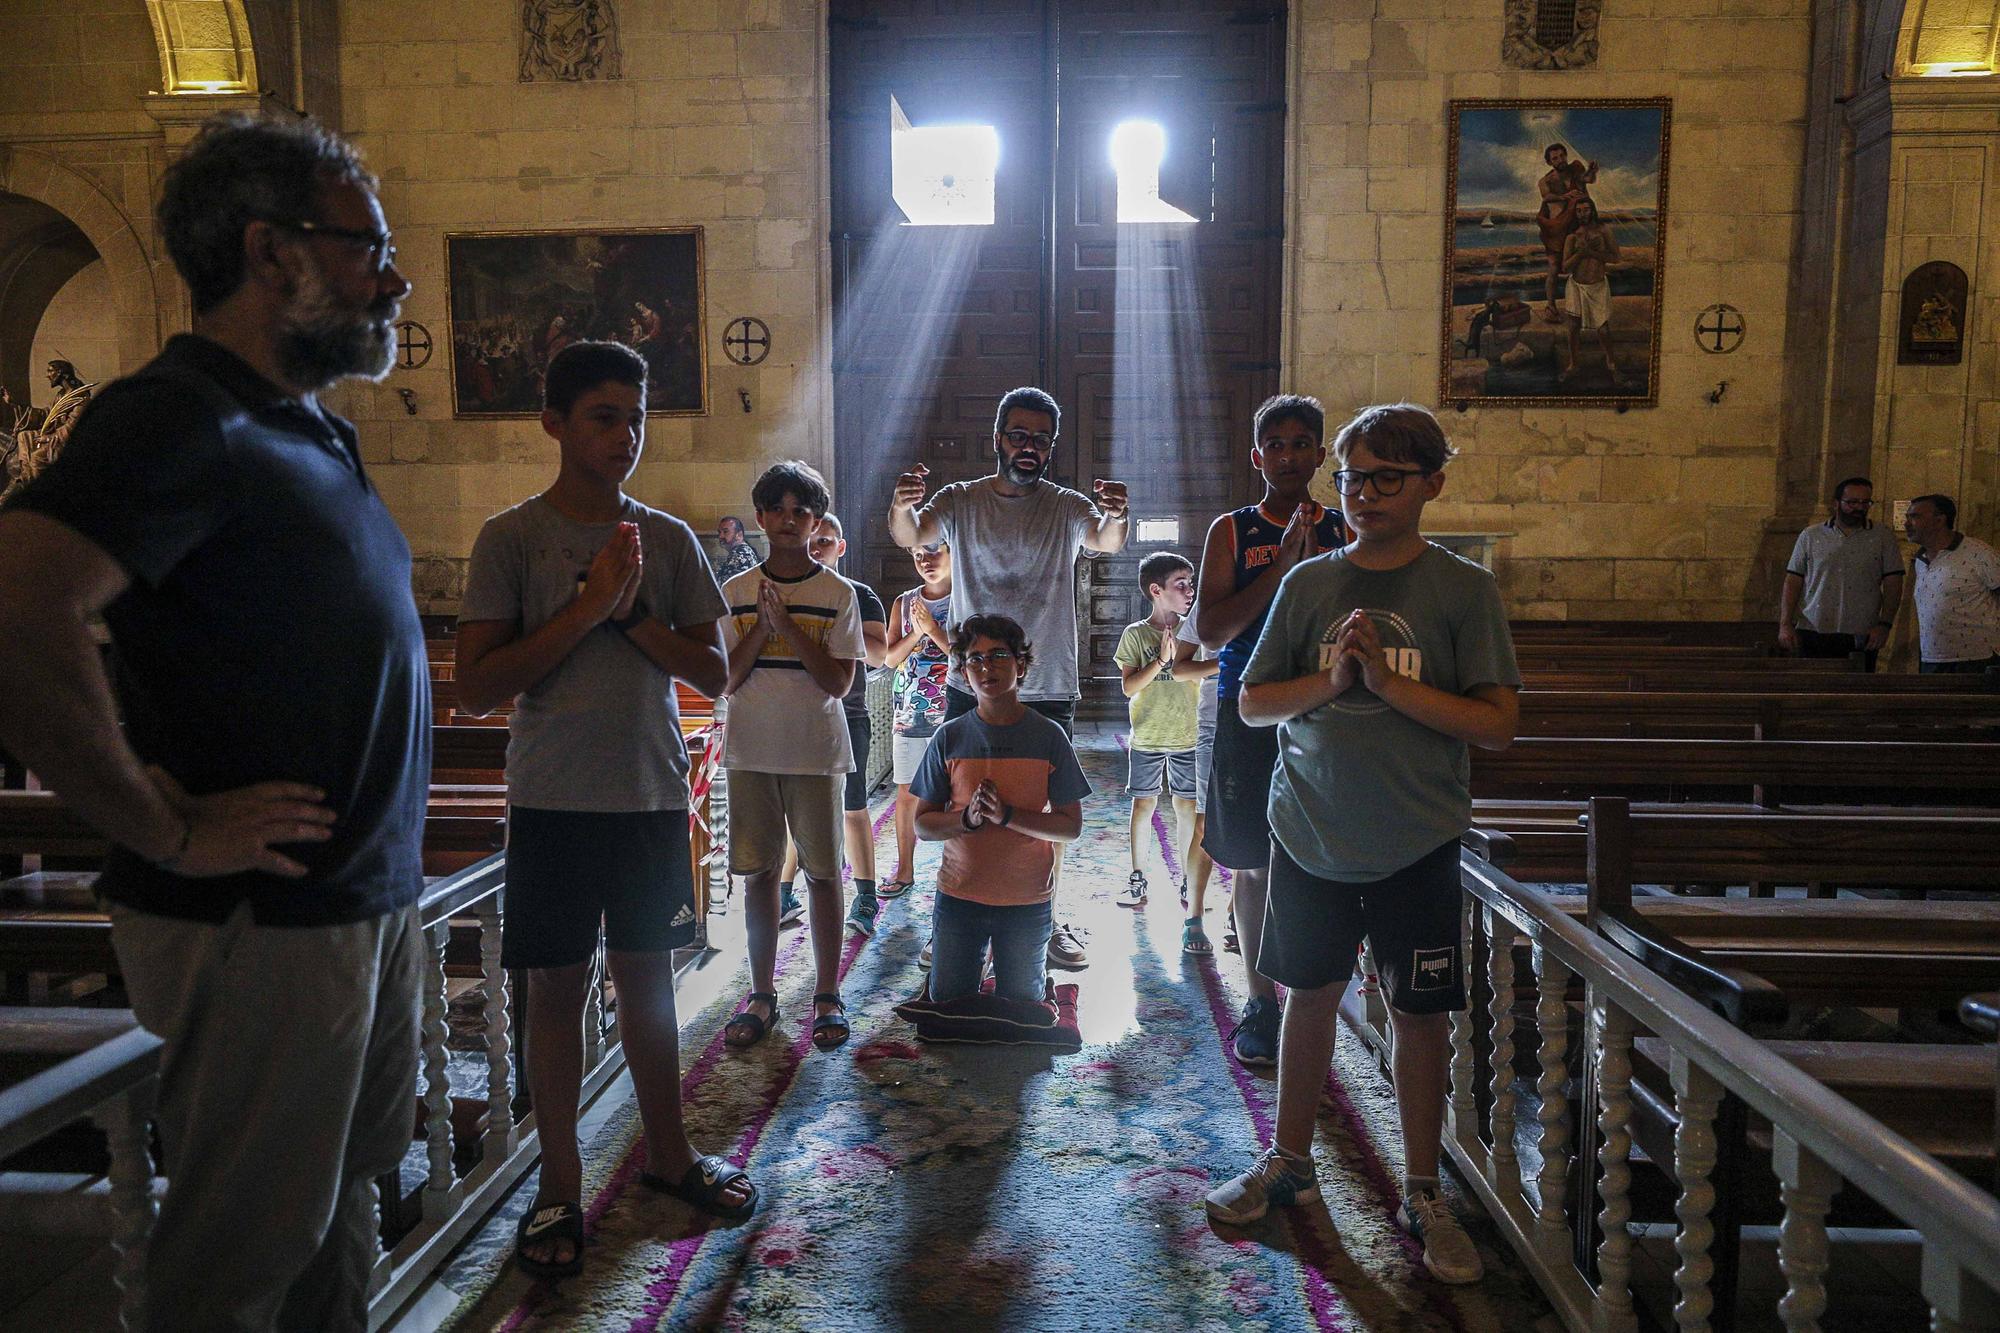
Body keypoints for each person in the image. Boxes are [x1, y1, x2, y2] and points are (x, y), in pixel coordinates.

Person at [0, 113, 423, 1331]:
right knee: (238, 1257)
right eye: (366, 246)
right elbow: (20, 604)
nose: (388, 276)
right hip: (262, 919)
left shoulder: (301, 423)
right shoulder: (178, 413)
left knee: (331, 1221)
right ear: (272, 253)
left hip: (348, 902)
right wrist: (163, 827)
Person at [455, 341, 755, 1279]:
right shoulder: (511, 538)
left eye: (635, 416)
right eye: (602, 415)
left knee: (648, 981)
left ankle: (667, 1157)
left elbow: (715, 672)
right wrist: (584, 610)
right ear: (552, 422)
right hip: (551, 798)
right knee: (550, 987)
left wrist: (630, 619)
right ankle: (559, 1183)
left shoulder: (665, 540)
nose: (623, 434)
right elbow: (474, 686)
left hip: (649, 792)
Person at [1204, 403, 1519, 1288]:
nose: (1364, 493)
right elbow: (1254, 702)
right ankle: (1289, 1161)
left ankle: (1422, 1189)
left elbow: (1496, 723)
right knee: (1308, 998)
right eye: (1352, 477)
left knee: (1419, 1017)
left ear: (1432, 484)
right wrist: (1336, 679)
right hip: (1310, 827)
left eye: (1387, 477)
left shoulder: (1462, 590)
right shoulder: (1309, 583)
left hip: (1416, 833)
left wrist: (1385, 681)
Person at [888, 385, 1129, 970]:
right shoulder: (962, 499)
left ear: (1050, 447)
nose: (1029, 447)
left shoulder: (1068, 506)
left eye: (1041, 440)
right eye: (1019, 436)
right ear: (998, 438)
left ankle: (1047, 917)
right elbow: (912, 534)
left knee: (1047, 816)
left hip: (1048, 684)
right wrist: (901, 505)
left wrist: (1119, 514)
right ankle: (952, 913)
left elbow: (1105, 540)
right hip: (970, 679)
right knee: (957, 802)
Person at [1193, 394, 1347, 1066]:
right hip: (1247, 706)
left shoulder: (1347, 527)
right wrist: (1282, 569)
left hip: (1328, 710)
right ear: (1257, 456)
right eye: (1274, 444)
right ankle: (1259, 998)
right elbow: (1209, 629)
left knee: (1317, 859)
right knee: (1253, 860)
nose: (1287, 455)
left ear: (1320, 453)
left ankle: (1313, 990)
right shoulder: (1234, 530)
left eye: (1300, 443)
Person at [719, 461, 865, 1052]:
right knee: (758, 876)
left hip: (815, 751)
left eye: (799, 511)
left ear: (816, 521)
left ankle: (827, 992)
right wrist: (761, 627)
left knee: (823, 875)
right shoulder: (733, 594)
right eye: (776, 509)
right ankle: (761, 993)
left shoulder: (838, 594)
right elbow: (725, 680)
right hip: (752, 748)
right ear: (758, 518)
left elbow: (838, 683)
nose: (787, 520)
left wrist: (789, 627)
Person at [910, 615, 1088, 1002]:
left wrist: (1007, 816)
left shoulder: (1048, 736)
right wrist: (968, 820)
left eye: (998, 656)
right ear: (963, 671)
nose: (986, 667)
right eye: (974, 659)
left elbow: (1070, 826)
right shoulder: (950, 737)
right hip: (960, 897)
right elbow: (923, 825)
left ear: (1020, 665)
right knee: (948, 1007)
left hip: (1027, 900)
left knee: (1022, 1008)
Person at [773, 512, 889, 938]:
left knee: (853, 808)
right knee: (793, 810)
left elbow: (879, 655)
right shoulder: (789, 594)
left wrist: (837, 617)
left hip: (847, 713)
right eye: (811, 542)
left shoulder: (860, 595)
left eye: (826, 542)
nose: (816, 549)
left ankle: (865, 897)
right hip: (796, 713)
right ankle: (784, 894)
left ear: (840, 548)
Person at [1113, 552, 1218, 957]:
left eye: (1192, 583)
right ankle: (1138, 876)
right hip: (1149, 737)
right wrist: (1160, 660)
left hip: (1190, 736)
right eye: (1181, 583)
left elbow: (1204, 671)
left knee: (1188, 811)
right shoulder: (1136, 635)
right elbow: (1129, 688)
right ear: (1156, 590)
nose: (1190, 591)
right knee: (1143, 806)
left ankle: (1188, 883)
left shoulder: (1198, 633)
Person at [884, 538, 954, 899]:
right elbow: (891, 658)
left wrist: (934, 631)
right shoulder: (904, 602)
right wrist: (917, 631)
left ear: (951, 551)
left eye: (934, 552)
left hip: (956, 713)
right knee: (907, 793)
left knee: (958, 795)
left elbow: (967, 655)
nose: (926, 561)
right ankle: (905, 870)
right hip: (911, 713)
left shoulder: (965, 598)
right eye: (918, 556)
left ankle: (957, 873)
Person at [1779, 477, 1904, 670]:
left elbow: (1893, 582)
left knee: (1857, 691)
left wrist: (1885, 624)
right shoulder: (1810, 536)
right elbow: (1793, 580)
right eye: (1852, 502)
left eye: (1865, 502)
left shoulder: (1882, 536)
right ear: (1836, 503)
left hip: (1862, 632)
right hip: (1814, 628)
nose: (1859, 508)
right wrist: (1785, 623)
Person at [1903, 493, 2000, 672]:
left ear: (1939, 520)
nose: (1906, 524)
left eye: (1915, 517)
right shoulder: (1920, 559)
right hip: (1932, 657)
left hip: (1976, 658)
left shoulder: (1980, 554)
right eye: (1907, 517)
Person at [1176, 603, 1220, 945]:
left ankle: (1240, 911)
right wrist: (1227, 664)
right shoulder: (1211, 601)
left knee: (1263, 827)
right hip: (1216, 721)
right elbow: (1180, 668)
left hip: (1273, 718)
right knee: (1205, 821)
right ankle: (1194, 916)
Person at [2, 359, 94, 499]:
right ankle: (26, 478)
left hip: (64, 440)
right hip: (52, 434)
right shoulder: (61, 395)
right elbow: (46, 415)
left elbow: (72, 427)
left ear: (63, 374)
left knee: (38, 457)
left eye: (51, 371)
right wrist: (15, 403)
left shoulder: (80, 398)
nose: (47, 375)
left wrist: (49, 438)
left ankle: (40, 493)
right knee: (24, 436)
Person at [1559, 198, 1620, 382]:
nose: (1582, 214)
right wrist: (1580, 253)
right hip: (1576, 286)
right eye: (1578, 211)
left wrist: (1591, 253)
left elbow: (1616, 257)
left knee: (1602, 327)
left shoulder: (1604, 231)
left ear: (1593, 210)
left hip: (1597, 286)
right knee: (1573, 326)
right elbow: (1565, 267)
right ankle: (1574, 363)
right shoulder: (1572, 237)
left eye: (1586, 210)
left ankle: (1610, 362)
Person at [1536, 142, 1598, 322]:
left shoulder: (1576, 169)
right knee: (1554, 268)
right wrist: (1564, 197)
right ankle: (1551, 307)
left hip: (1578, 225)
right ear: (1549, 162)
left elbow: (1588, 179)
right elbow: (1546, 196)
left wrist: (1592, 171)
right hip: (1556, 229)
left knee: (1583, 263)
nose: (1560, 160)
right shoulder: (1545, 180)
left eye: (1562, 156)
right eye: (1555, 158)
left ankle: (1585, 306)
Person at [715, 514, 759, 582]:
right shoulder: (741, 551)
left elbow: (726, 586)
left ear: (739, 535)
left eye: (725, 531)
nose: (720, 536)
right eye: (719, 532)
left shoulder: (741, 555)